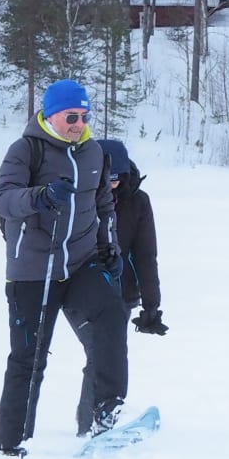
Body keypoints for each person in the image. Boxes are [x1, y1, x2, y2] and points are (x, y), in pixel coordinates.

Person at [0, 80, 129, 456]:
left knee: (112, 317)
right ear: (51, 115)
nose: (78, 124)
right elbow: (3, 198)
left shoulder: (93, 152)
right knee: (29, 356)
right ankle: (12, 443)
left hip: (81, 262)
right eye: (72, 116)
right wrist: (40, 196)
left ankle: (105, 417)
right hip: (34, 269)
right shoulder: (27, 149)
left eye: (84, 117)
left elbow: (103, 206)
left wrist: (110, 248)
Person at [74, 139, 165, 436]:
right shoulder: (80, 196)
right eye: (105, 178)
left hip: (121, 293)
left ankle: (96, 419)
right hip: (81, 289)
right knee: (100, 350)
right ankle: (93, 423)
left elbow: (145, 254)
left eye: (116, 178)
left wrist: (151, 304)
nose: (111, 185)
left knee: (108, 353)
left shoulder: (138, 202)